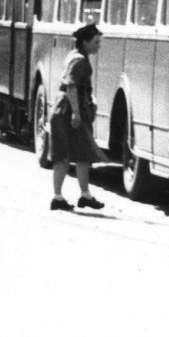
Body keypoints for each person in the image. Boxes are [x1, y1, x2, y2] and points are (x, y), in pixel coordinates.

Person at [47, 23, 107, 211]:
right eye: (96, 42)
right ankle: (58, 198)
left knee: (83, 154)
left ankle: (84, 195)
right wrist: (76, 113)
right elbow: (71, 86)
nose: (99, 45)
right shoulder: (79, 60)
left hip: (70, 109)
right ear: (85, 42)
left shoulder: (78, 57)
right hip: (67, 111)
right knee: (64, 156)